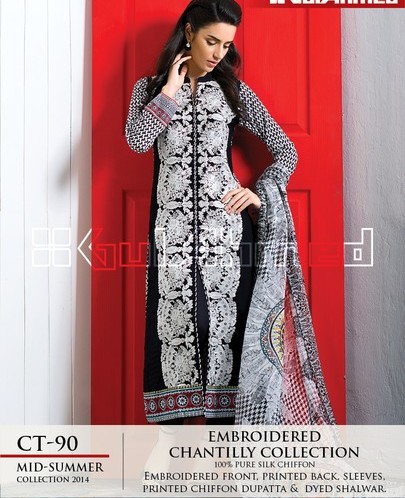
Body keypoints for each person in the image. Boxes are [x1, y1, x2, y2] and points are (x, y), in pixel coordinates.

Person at [126, 0, 336, 425]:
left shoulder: (233, 93)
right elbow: (137, 140)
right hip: (172, 236)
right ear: (189, 32)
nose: (219, 53)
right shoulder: (147, 90)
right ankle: (174, 453)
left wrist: (258, 196)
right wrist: (169, 92)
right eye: (211, 41)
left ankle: (228, 451)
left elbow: (286, 151)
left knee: (226, 337)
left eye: (226, 45)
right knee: (175, 332)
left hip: (227, 236)